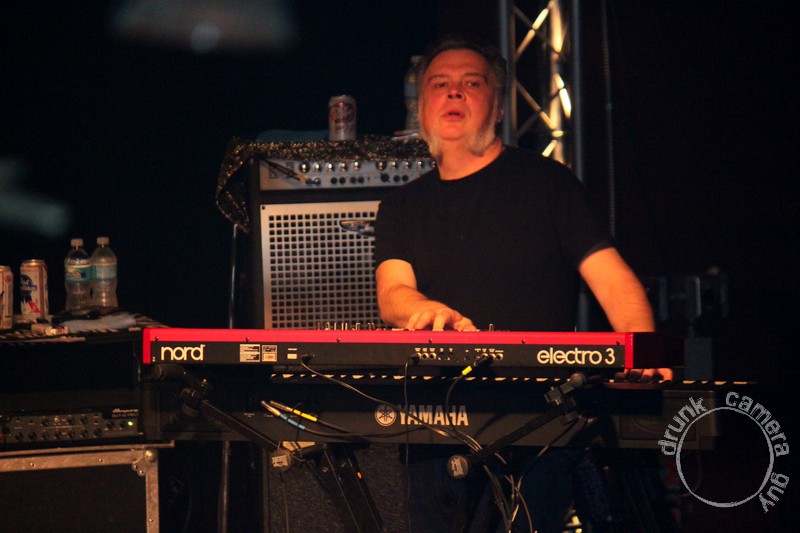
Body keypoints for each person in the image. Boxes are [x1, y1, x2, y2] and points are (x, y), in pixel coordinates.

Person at [373, 37, 668, 532]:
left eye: (472, 83)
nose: (454, 93)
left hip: (538, 420)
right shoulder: (402, 206)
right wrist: (424, 309)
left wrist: (642, 351)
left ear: (498, 105)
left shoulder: (549, 183)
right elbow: (392, 294)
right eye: (440, 85)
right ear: (420, 108)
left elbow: (614, 281)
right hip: (434, 421)